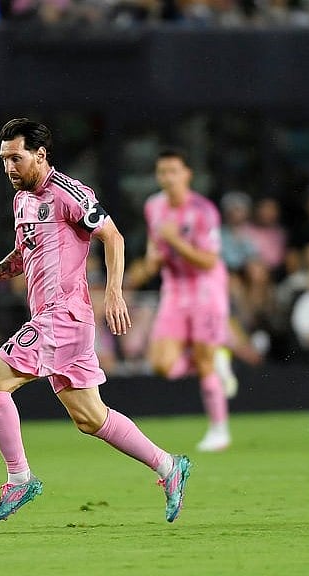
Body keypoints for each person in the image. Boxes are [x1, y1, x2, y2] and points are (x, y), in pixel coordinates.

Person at [0, 118, 191, 525]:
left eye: (16, 158)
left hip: (64, 316)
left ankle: (19, 479)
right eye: (4, 160)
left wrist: (113, 292)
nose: (8, 168)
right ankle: (168, 466)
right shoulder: (22, 200)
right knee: (90, 417)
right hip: (54, 318)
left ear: (40, 155)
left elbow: (114, 237)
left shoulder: (68, 193)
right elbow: (22, 259)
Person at [127, 148, 234, 452]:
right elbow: (154, 243)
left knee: (203, 364)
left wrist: (175, 240)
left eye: (173, 171)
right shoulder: (154, 206)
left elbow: (210, 261)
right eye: (162, 172)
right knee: (161, 364)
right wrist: (150, 261)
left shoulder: (203, 211)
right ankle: (213, 359)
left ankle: (219, 430)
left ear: (187, 174)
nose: (167, 178)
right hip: (175, 289)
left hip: (205, 288)